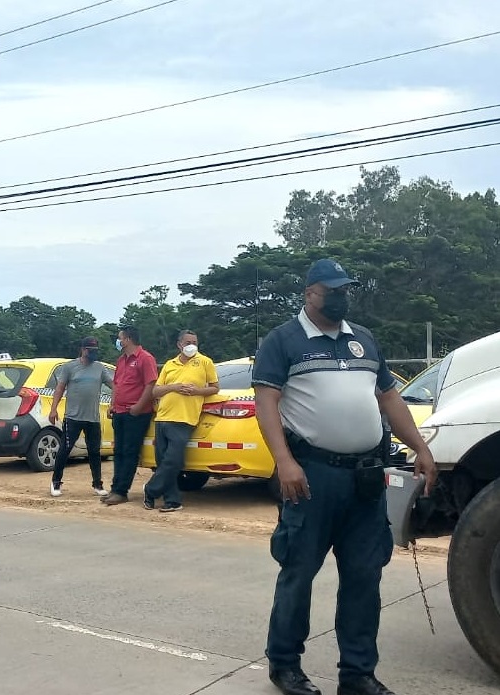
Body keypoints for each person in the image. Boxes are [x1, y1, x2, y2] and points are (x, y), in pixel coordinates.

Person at [253, 259, 437, 695]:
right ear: (309, 294)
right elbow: (266, 403)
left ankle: (357, 674)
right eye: (332, 289)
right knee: (298, 571)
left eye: (345, 289)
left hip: (364, 480)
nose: (341, 295)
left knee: (364, 575)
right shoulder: (283, 341)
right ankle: (285, 665)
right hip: (311, 476)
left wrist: (421, 448)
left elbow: (389, 399)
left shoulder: (364, 341)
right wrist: (284, 461)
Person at [144, 330, 219, 512]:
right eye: (187, 342)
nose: (191, 345)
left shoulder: (205, 362)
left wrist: (197, 392)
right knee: (163, 462)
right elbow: (155, 391)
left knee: (173, 461)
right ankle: (172, 501)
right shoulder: (170, 364)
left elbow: (214, 388)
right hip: (162, 418)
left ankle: (150, 490)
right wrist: (174, 387)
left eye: (194, 342)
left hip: (184, 419)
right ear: (179, 344)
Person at [47, 337, 113, 498]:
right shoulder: (70, 367)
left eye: (95, 351)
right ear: (83, 350)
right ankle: (56, 482)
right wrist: (53, 409)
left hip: (93, 418)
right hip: (73, 417)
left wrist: (114, 404)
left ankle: (97, 484)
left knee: (94, 452)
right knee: (65, 450)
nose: (93, 354)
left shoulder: (100, 368)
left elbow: (114, 385)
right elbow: (60, 388)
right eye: (91, 351)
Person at [102, 326, 158, 506]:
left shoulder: (145, 358)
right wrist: (112, 404)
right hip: (119, 411)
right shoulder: (121, 360)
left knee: (129, 452)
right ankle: (115, 488)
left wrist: (139, 406)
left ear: (128, 339)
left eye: (120, 338)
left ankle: (121, 491)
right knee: (118, 452)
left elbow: (150, 385)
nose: (118, 342)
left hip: (137, 413)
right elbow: (116, 385)